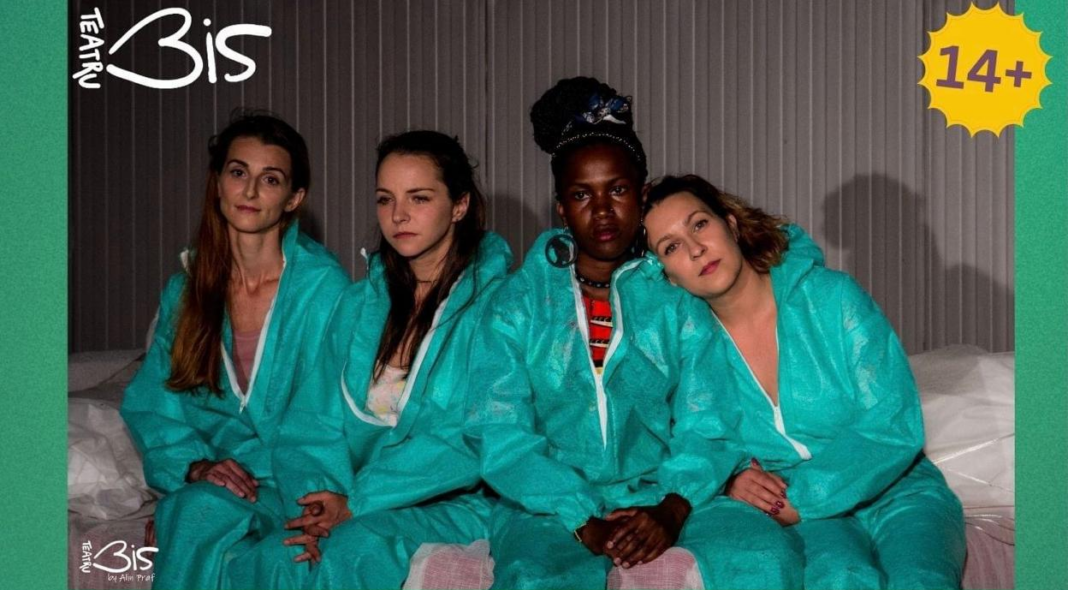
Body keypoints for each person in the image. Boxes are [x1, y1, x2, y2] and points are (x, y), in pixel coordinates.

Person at [465, 76, 819, 590]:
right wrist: (582, 519)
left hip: (671, 493)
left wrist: (672, 508)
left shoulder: (677, 297)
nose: (602, 210)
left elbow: (709, 421)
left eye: (618, 190)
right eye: (581, 195)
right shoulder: (517, 305)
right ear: (561, 208)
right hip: (547, 508)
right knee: (535, 579)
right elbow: (500, 434)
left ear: (642, 193)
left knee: (764, 559)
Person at [641, 173, 966, 590]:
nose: (695, 248)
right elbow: (701, 437)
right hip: (801, 513)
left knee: (921, 581)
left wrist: (806, 497)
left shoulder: (831, 297)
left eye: (700, 224)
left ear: (731, 224)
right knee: (839, 579)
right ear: (668, 276)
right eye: (671, 247)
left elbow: (893, 422)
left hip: (898, 490)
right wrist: (732, 477)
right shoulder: (691, 351)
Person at [226, 130, 512, 589]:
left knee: (353, 549)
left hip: (450, 504)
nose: (398, 215)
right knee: (282, 556)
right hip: (351, 498)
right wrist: (317, 503)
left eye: (419, 198)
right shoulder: (358, 304)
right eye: (385, 199)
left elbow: (470, 439)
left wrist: (357, 503)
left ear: (459, 205)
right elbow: (311, 423)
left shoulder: (498, 308)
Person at [120, 112, 351, 590]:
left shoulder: (324, 289)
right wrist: (195, 469)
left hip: (297, 486)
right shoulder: (186, 292)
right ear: (218, 182)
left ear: (294, 198)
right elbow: (155, 406)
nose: (250, 190)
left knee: (264, 550)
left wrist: (316, 502)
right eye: (238, 172)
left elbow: (330, 414)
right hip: (220, 490)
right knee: (198, 514)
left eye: (271, 179)